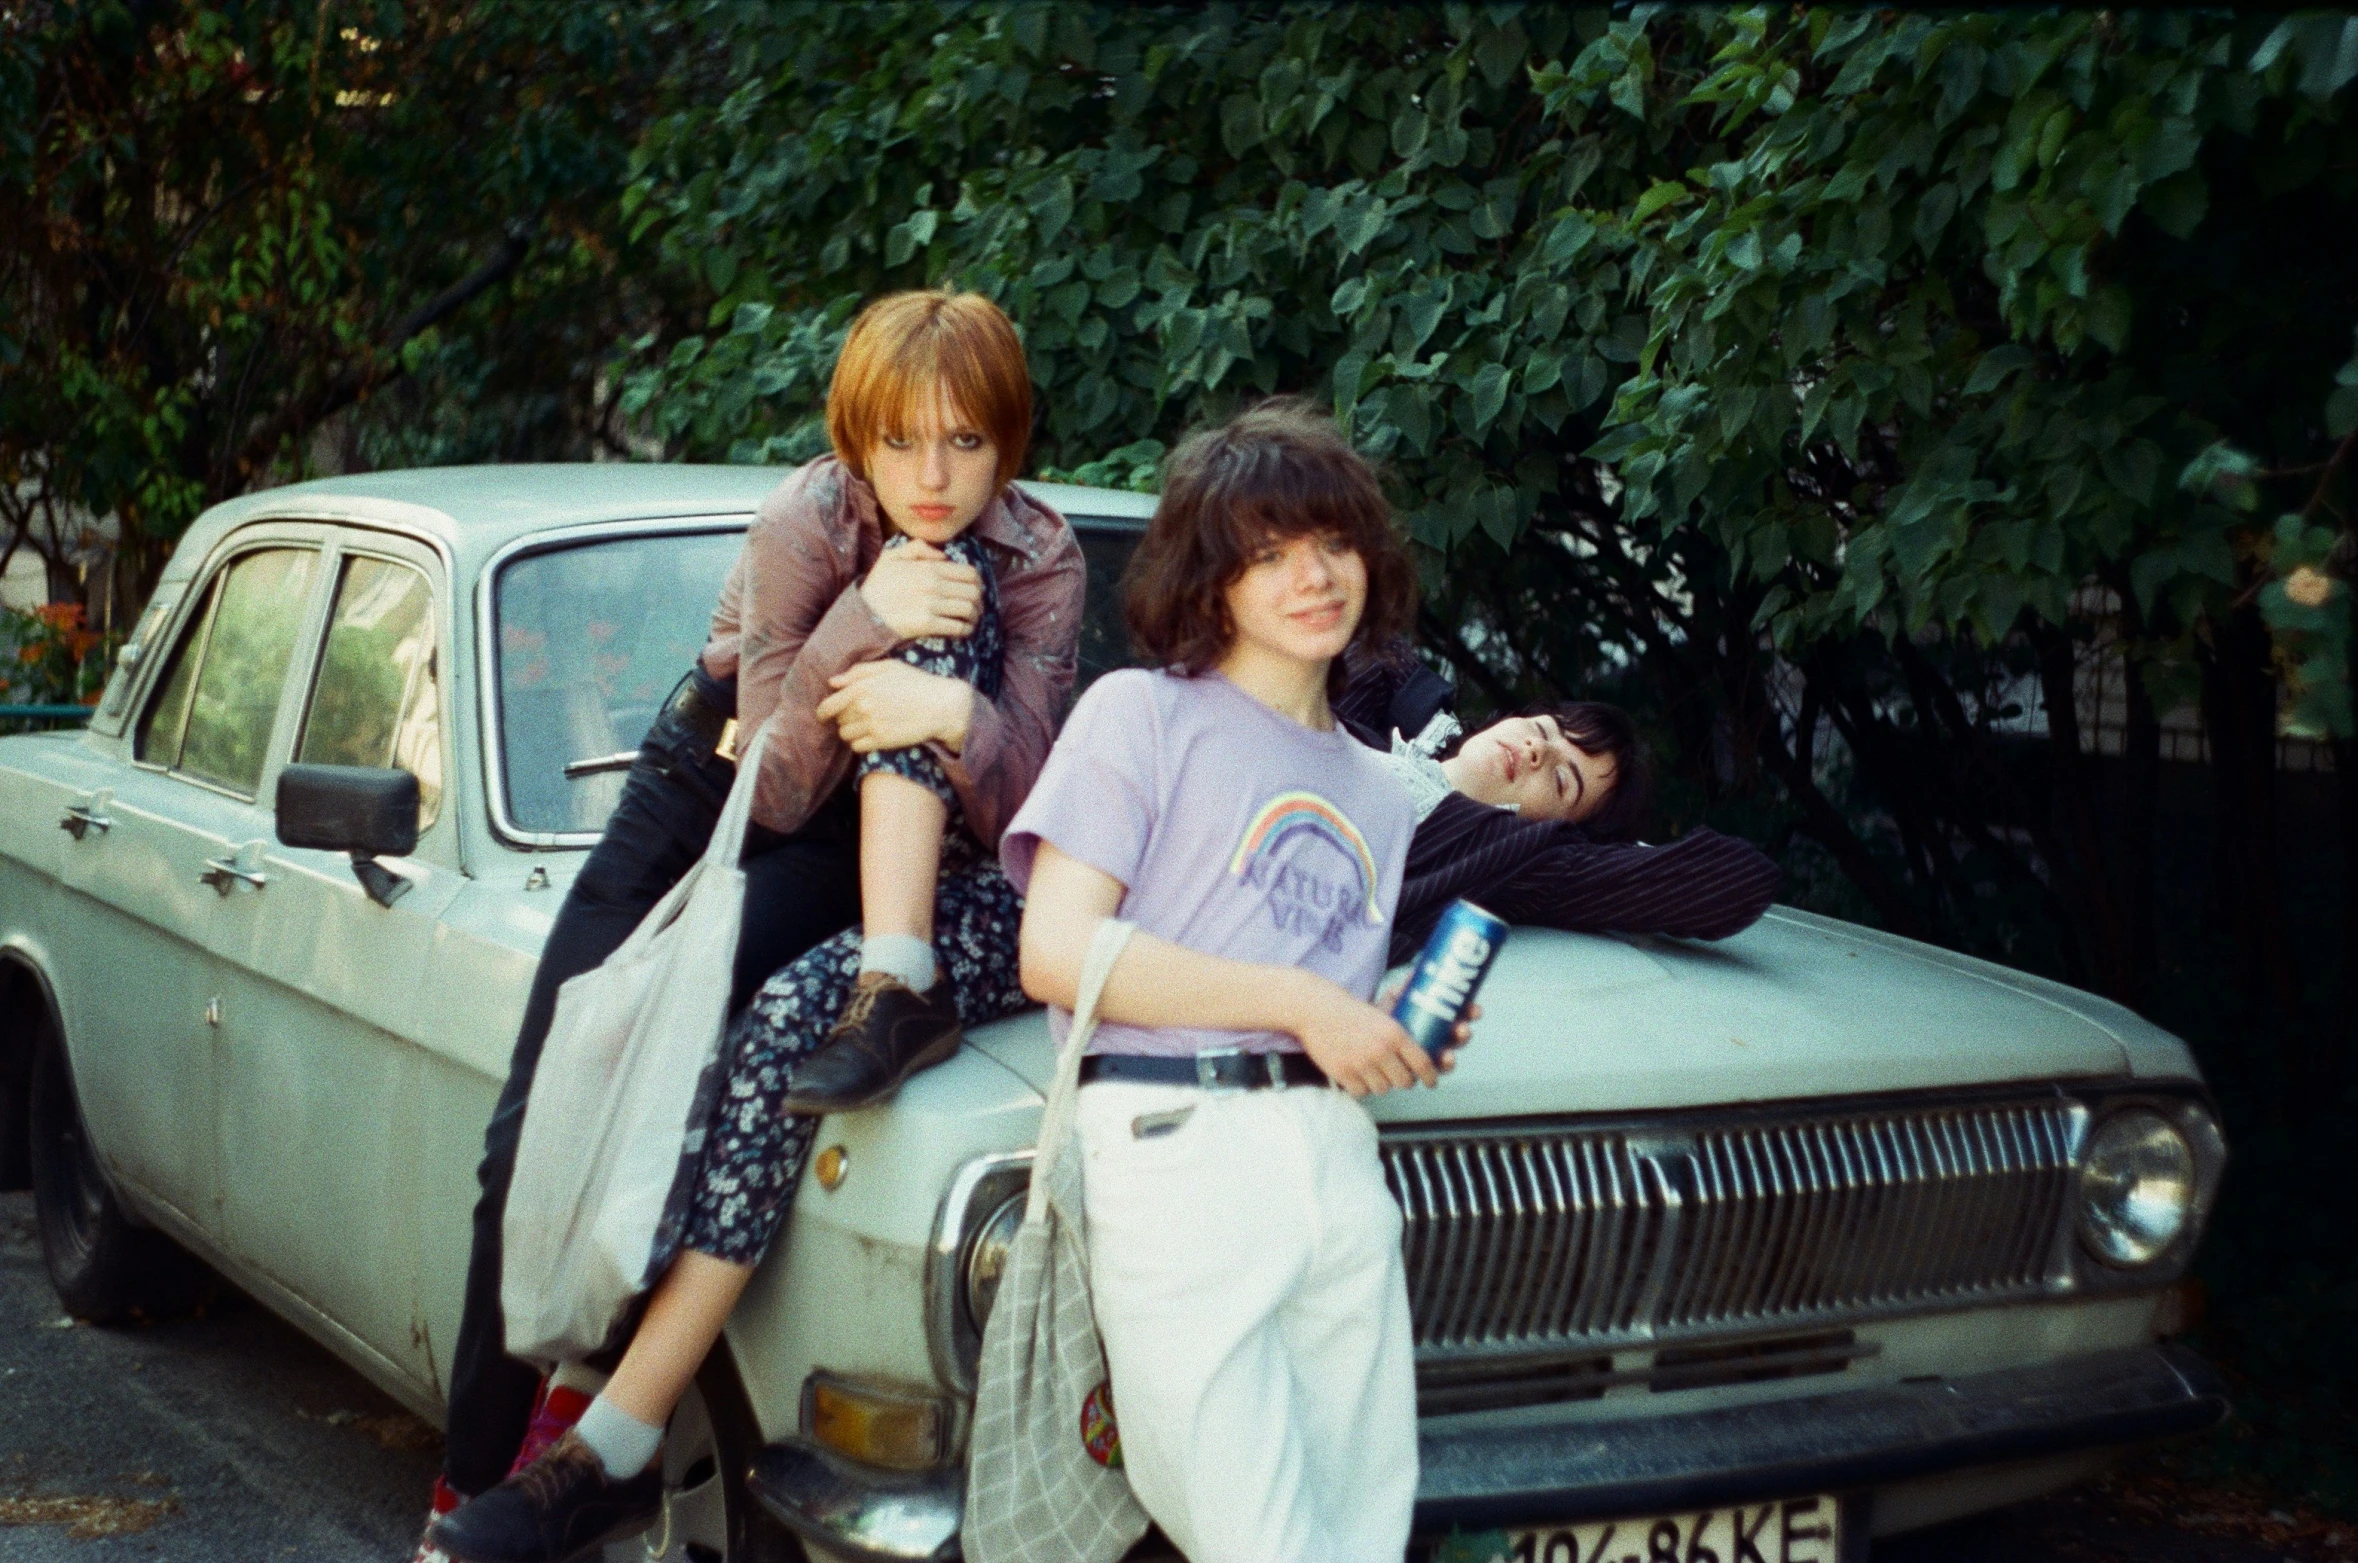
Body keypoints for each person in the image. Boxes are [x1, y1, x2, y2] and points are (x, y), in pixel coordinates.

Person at [416, 289, 1083, 1563]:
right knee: (548, 1106)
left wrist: (944, 713)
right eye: (900, 442)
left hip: (891, 836)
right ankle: (460, 1491)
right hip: (708, 796)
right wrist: (870, 614)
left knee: (706, 1064)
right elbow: (771, 779)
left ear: (1008, 443)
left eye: (965, 443)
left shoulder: (1041, 552)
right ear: (857, 438)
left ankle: (589, 1415)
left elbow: (1023, 800)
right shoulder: (802, 519)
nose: (931, 476)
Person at [1003, 400, 1468, 1563]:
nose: (1312, 579)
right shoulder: (1141, 715)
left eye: (1331, 546)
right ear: (1210, 581)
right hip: (1175, 1143)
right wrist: (1304, 1003)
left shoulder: (1376, 789)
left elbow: (1324, 993)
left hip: (1332, 1156)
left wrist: (1385, 1033)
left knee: (1363, 1529)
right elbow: (1055, 951)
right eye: (1267, 556)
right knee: (1253, 1535)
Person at [1335, 643, 1782, 962]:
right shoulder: (1368, 734)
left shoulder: (1509, 855)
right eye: (1547, 730)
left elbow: (1737, 881)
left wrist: (1596, 857)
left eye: (1561, 780)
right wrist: (1441, 727)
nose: (1537, 751)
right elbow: (1377, 650)